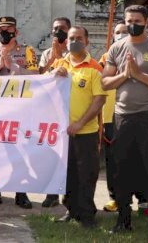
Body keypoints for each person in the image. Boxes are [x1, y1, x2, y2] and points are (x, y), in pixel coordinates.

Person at [101, 5, 148, 243]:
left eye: (137, 20)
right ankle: (123, 220)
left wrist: (139, 74)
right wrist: (125, 74)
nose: (132, 24)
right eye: (129, 20)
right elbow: (105, 83)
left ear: (146, 21)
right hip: (123, 117)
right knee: (121, 170)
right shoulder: (117, 47)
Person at [0, 16, 38, 209]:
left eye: (8, 29)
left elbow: (36, 76)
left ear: (16, 32)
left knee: (20, 150)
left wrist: (14, 68)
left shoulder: (26, 51)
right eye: (1, 29)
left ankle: (21, 193)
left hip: (19, 108)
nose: (4, 33)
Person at [47, 26, 107, 228]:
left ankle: (88, 215)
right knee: (68, 174)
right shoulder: (59, 64)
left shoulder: (94, 67)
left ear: (87, 41)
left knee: (87, 175)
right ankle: (71, 210)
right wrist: (53, 74)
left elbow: (99, 100)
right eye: (71, 38)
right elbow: (43, 88)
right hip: (62, 133)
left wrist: (80, 123)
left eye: (79, 38)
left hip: (86, 132)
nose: (74, 41)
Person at [37, 17, 71, 208]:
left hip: (70, 109)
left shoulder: (76, 51)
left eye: (62, 29)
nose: (58, 32)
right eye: (55, 29)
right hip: (51, 109)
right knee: (52, 154)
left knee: (68, 155)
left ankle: (68, 195)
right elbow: (41, 77)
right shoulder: (47, 53)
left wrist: (62, 57)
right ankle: (51, 194)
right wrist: (54, 57)